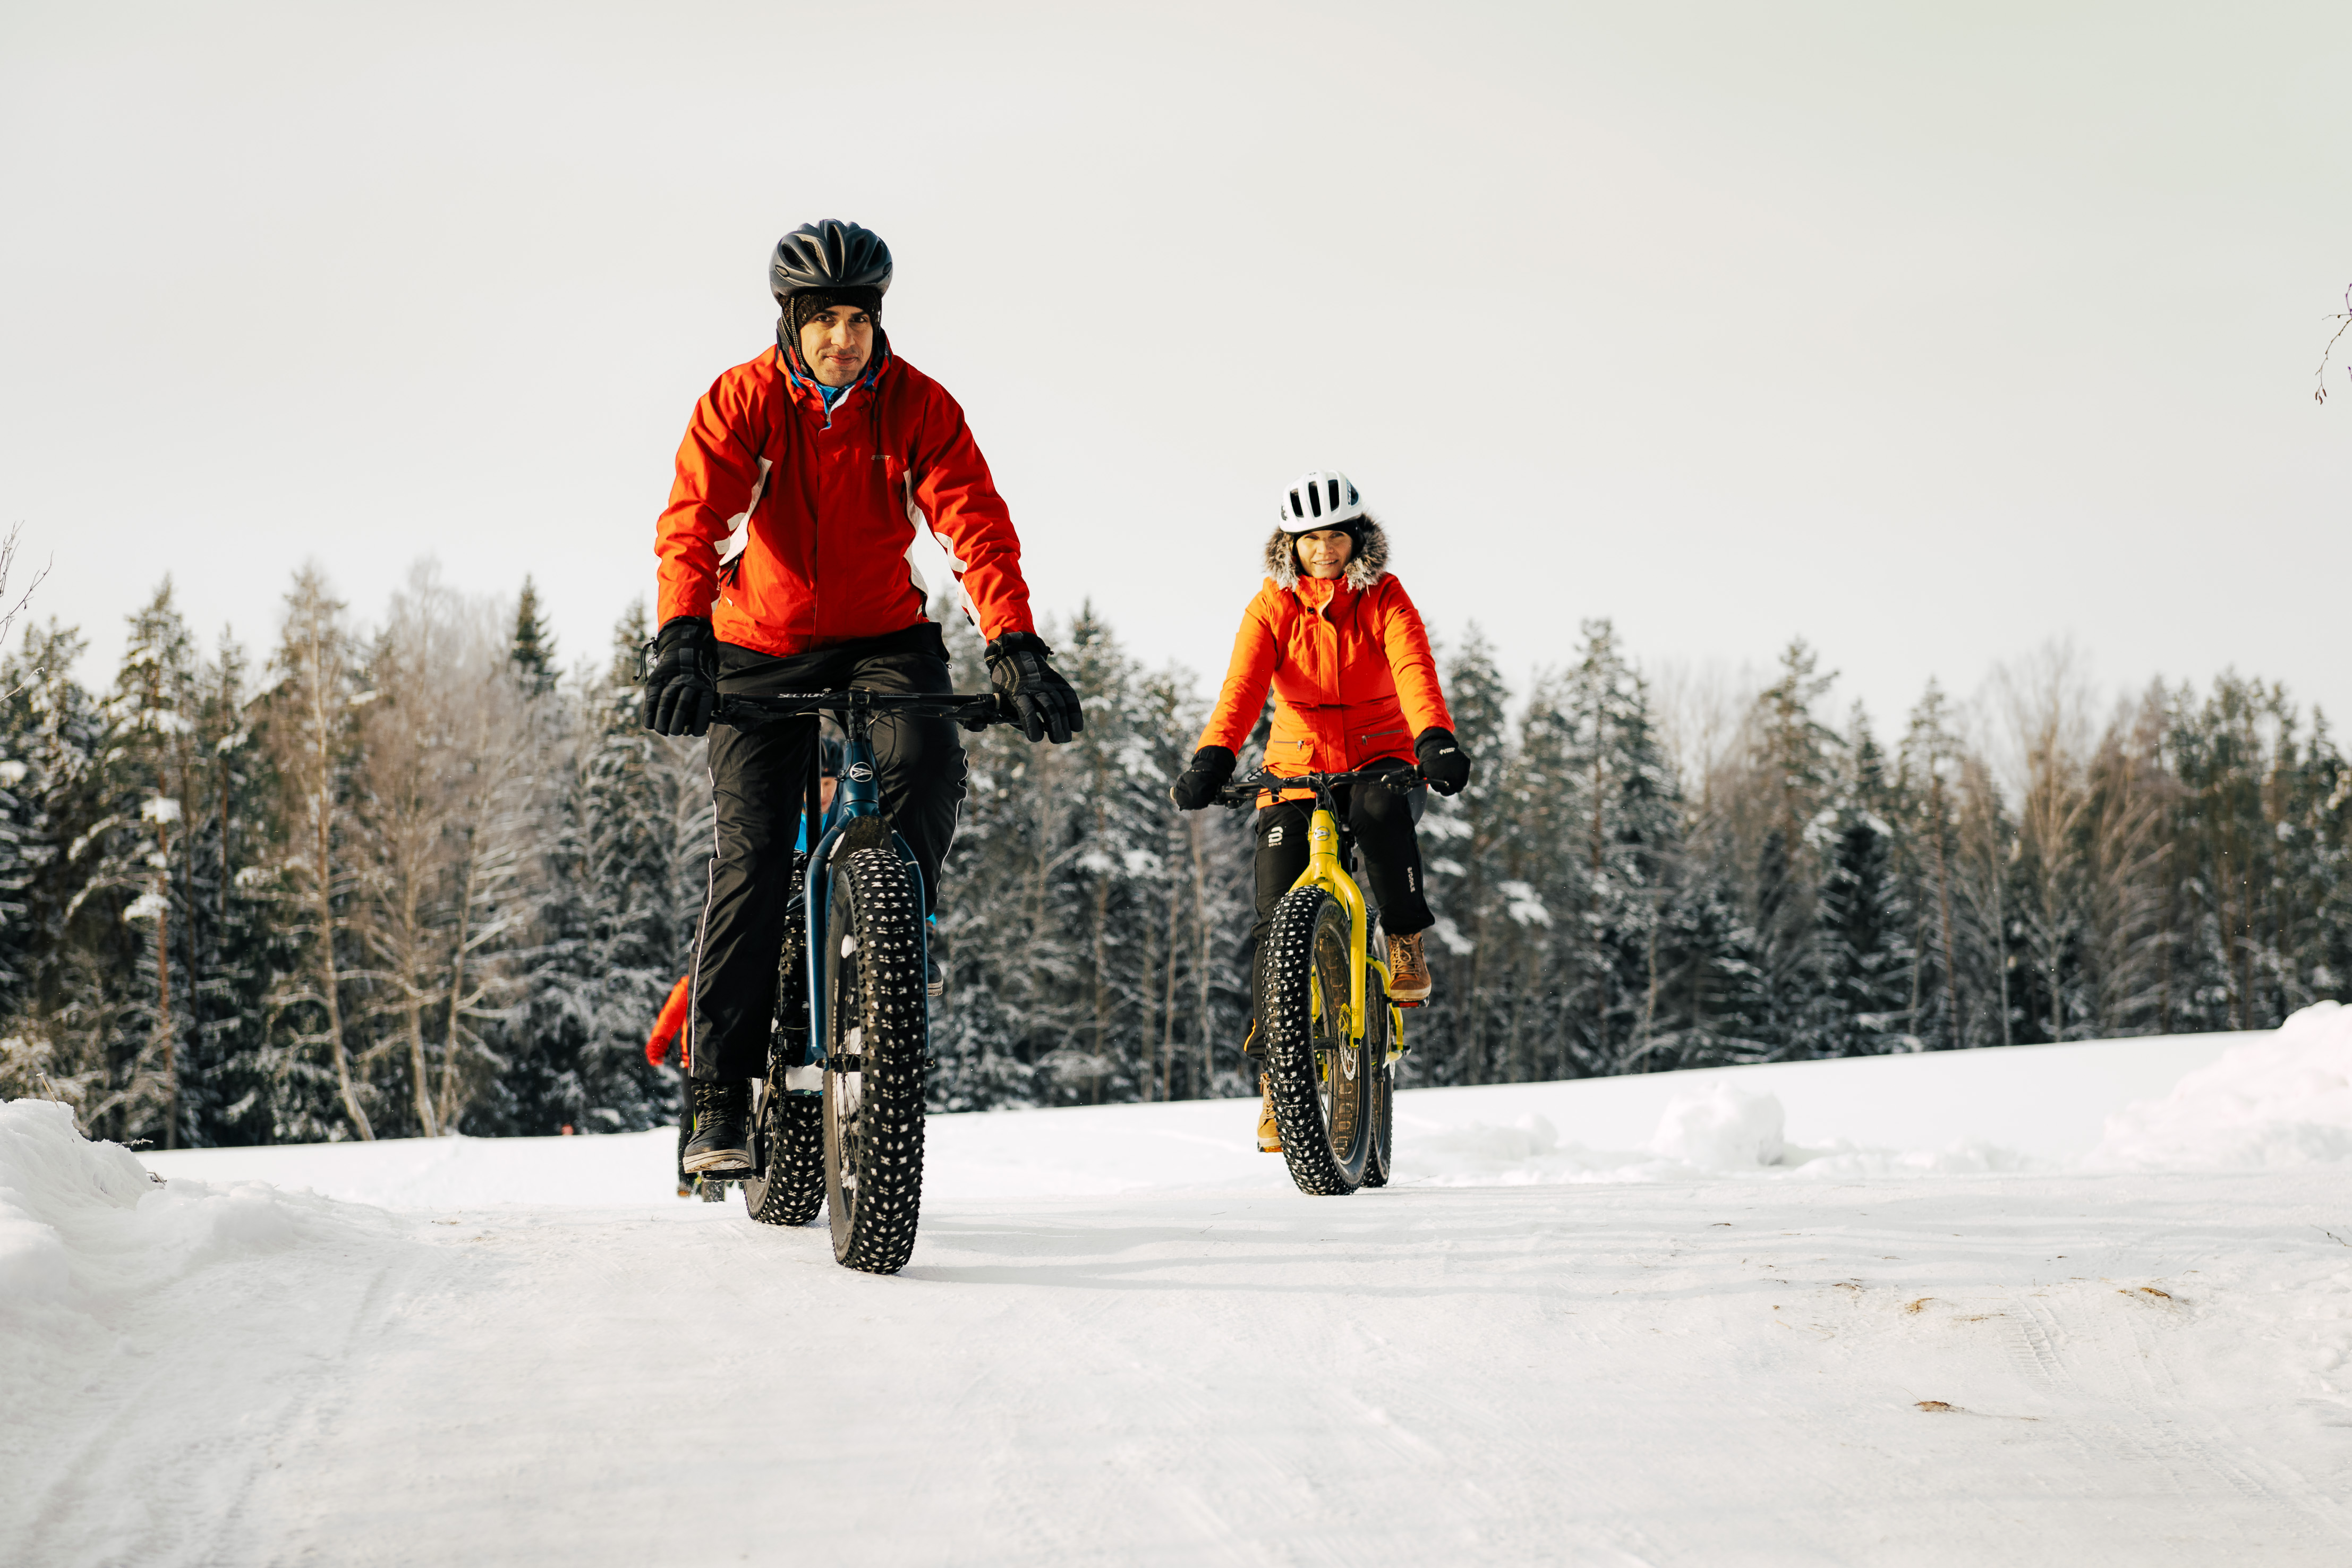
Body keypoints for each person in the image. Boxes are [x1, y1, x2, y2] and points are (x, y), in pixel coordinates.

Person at [645, 220, 1083, 1178]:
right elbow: (693, 523)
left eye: (859, 318)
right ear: (790, 322)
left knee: (926, 761)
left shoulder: (917, 406)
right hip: (754, 645)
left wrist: (1014, 643)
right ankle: (719, 1095)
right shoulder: (743, 400)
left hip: (882, 638)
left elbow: (975, 528)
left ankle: (888, 926)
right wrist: (681, 637)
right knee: (754, 851)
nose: (843, 338)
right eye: (824, 321)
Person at [1168, 471, 1471, 1151]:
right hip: (1295, 771)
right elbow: (1243, 687)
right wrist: (1213, 758)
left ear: (1356, 537)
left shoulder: (1385, 597)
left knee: (1377, 807)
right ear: (1291, 545)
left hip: (1382, 759)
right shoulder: (1271, 606)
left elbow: (1414, 670)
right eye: (1311, 540)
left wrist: (1435, 741)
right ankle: (1280, 1080)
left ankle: (1403, 938)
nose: (1325, 550)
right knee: (1275, 913)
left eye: (1336, 536)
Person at [646, 739, 846, 1196]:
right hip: (697, 1047)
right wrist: (661, 1039)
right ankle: (692, 1174)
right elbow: (684, 993)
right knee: (691, 1112)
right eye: (811, 783)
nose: (819, 792)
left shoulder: (840, 821)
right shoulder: (786, 823)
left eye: (828, 783)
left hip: (825, 925)